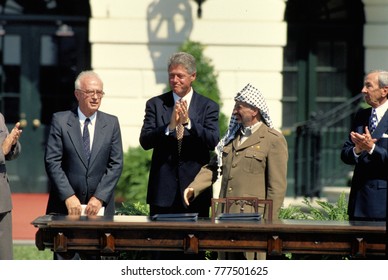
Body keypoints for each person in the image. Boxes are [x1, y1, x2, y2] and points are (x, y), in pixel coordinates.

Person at [183, 83, 288, 260]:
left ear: (254, 110)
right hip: (225, 217)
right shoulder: (230, 138)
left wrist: (270, 225)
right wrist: (194, 187)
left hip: (254, 222)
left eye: (239, 107)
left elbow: (276, 188)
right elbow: (213, 167)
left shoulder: (273, 139)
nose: (234, 111)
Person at [139, 52, 220, 259]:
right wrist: (169, 127)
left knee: (193, 253)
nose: (174, 80)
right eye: (171, 75)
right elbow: (145, 141)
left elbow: (213, 141)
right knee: (160, 252)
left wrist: (189, 124)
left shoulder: (208, 106)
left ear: (193, 76)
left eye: (180, 76)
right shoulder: (156, 104)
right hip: (162, 193)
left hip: (194, 193)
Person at [45, 70, 123, 259]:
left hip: (99, 209)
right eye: (90, 92)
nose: (96, 97)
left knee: (98, 259)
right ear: (78, 94)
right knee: (67, 258)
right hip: (66, 207)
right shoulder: (61, 121)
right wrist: (68, 195)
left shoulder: (111, 123)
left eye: (100, 93)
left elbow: (116, 164)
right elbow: (52, 161)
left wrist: (100, 197)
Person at [341, 69, 388, 221]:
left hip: (381, 203)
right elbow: (345, 154)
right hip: (359, 201)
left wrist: (372, 148)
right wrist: (357, 149)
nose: (363, 90)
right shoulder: (362, 115)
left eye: (368, 86)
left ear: (384, 91)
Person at [0, 115, 22, 260]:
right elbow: (3, 150)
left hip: (2, 200)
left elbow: (9, 152)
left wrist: (13, 143)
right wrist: (2, 150)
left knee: (5, 256)